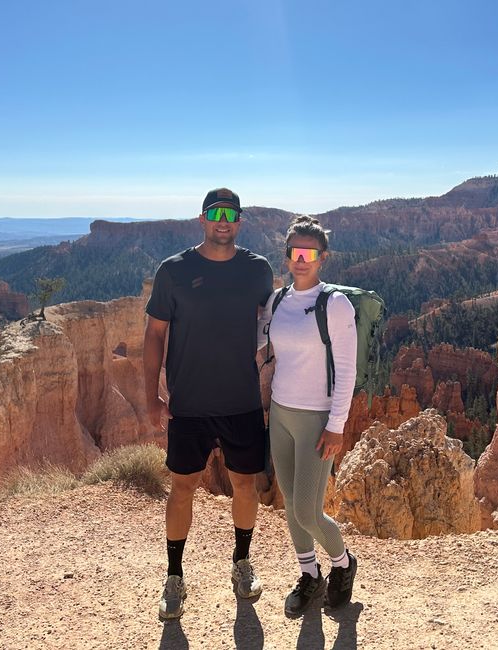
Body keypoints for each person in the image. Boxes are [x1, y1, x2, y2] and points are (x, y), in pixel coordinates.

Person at [144, 188, 274, 620]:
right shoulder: (173, 271)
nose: (223, 220)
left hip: (241, 401)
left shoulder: (258, 270)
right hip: (190, 405)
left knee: (245, 486)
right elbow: (154, 335)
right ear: (201, 219)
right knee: (182, 489)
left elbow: (278, 325)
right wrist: (151, 397)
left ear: (240, 221)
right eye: (215, 213)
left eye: (231, 214)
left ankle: (241, 564)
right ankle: (174, 576)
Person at [259, 215, 358, 617]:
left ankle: (342, 563)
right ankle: (309, 575)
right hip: (281, 414)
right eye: (294, 252)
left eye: (309, 253)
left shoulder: (334, 304)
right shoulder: (278, 300)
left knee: (307, 510)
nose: (301, 260)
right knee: (289, 504)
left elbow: (347, 369)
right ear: (286, 256)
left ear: (323, 258)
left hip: (317, 420)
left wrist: (336, 426)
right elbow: (261, 343)